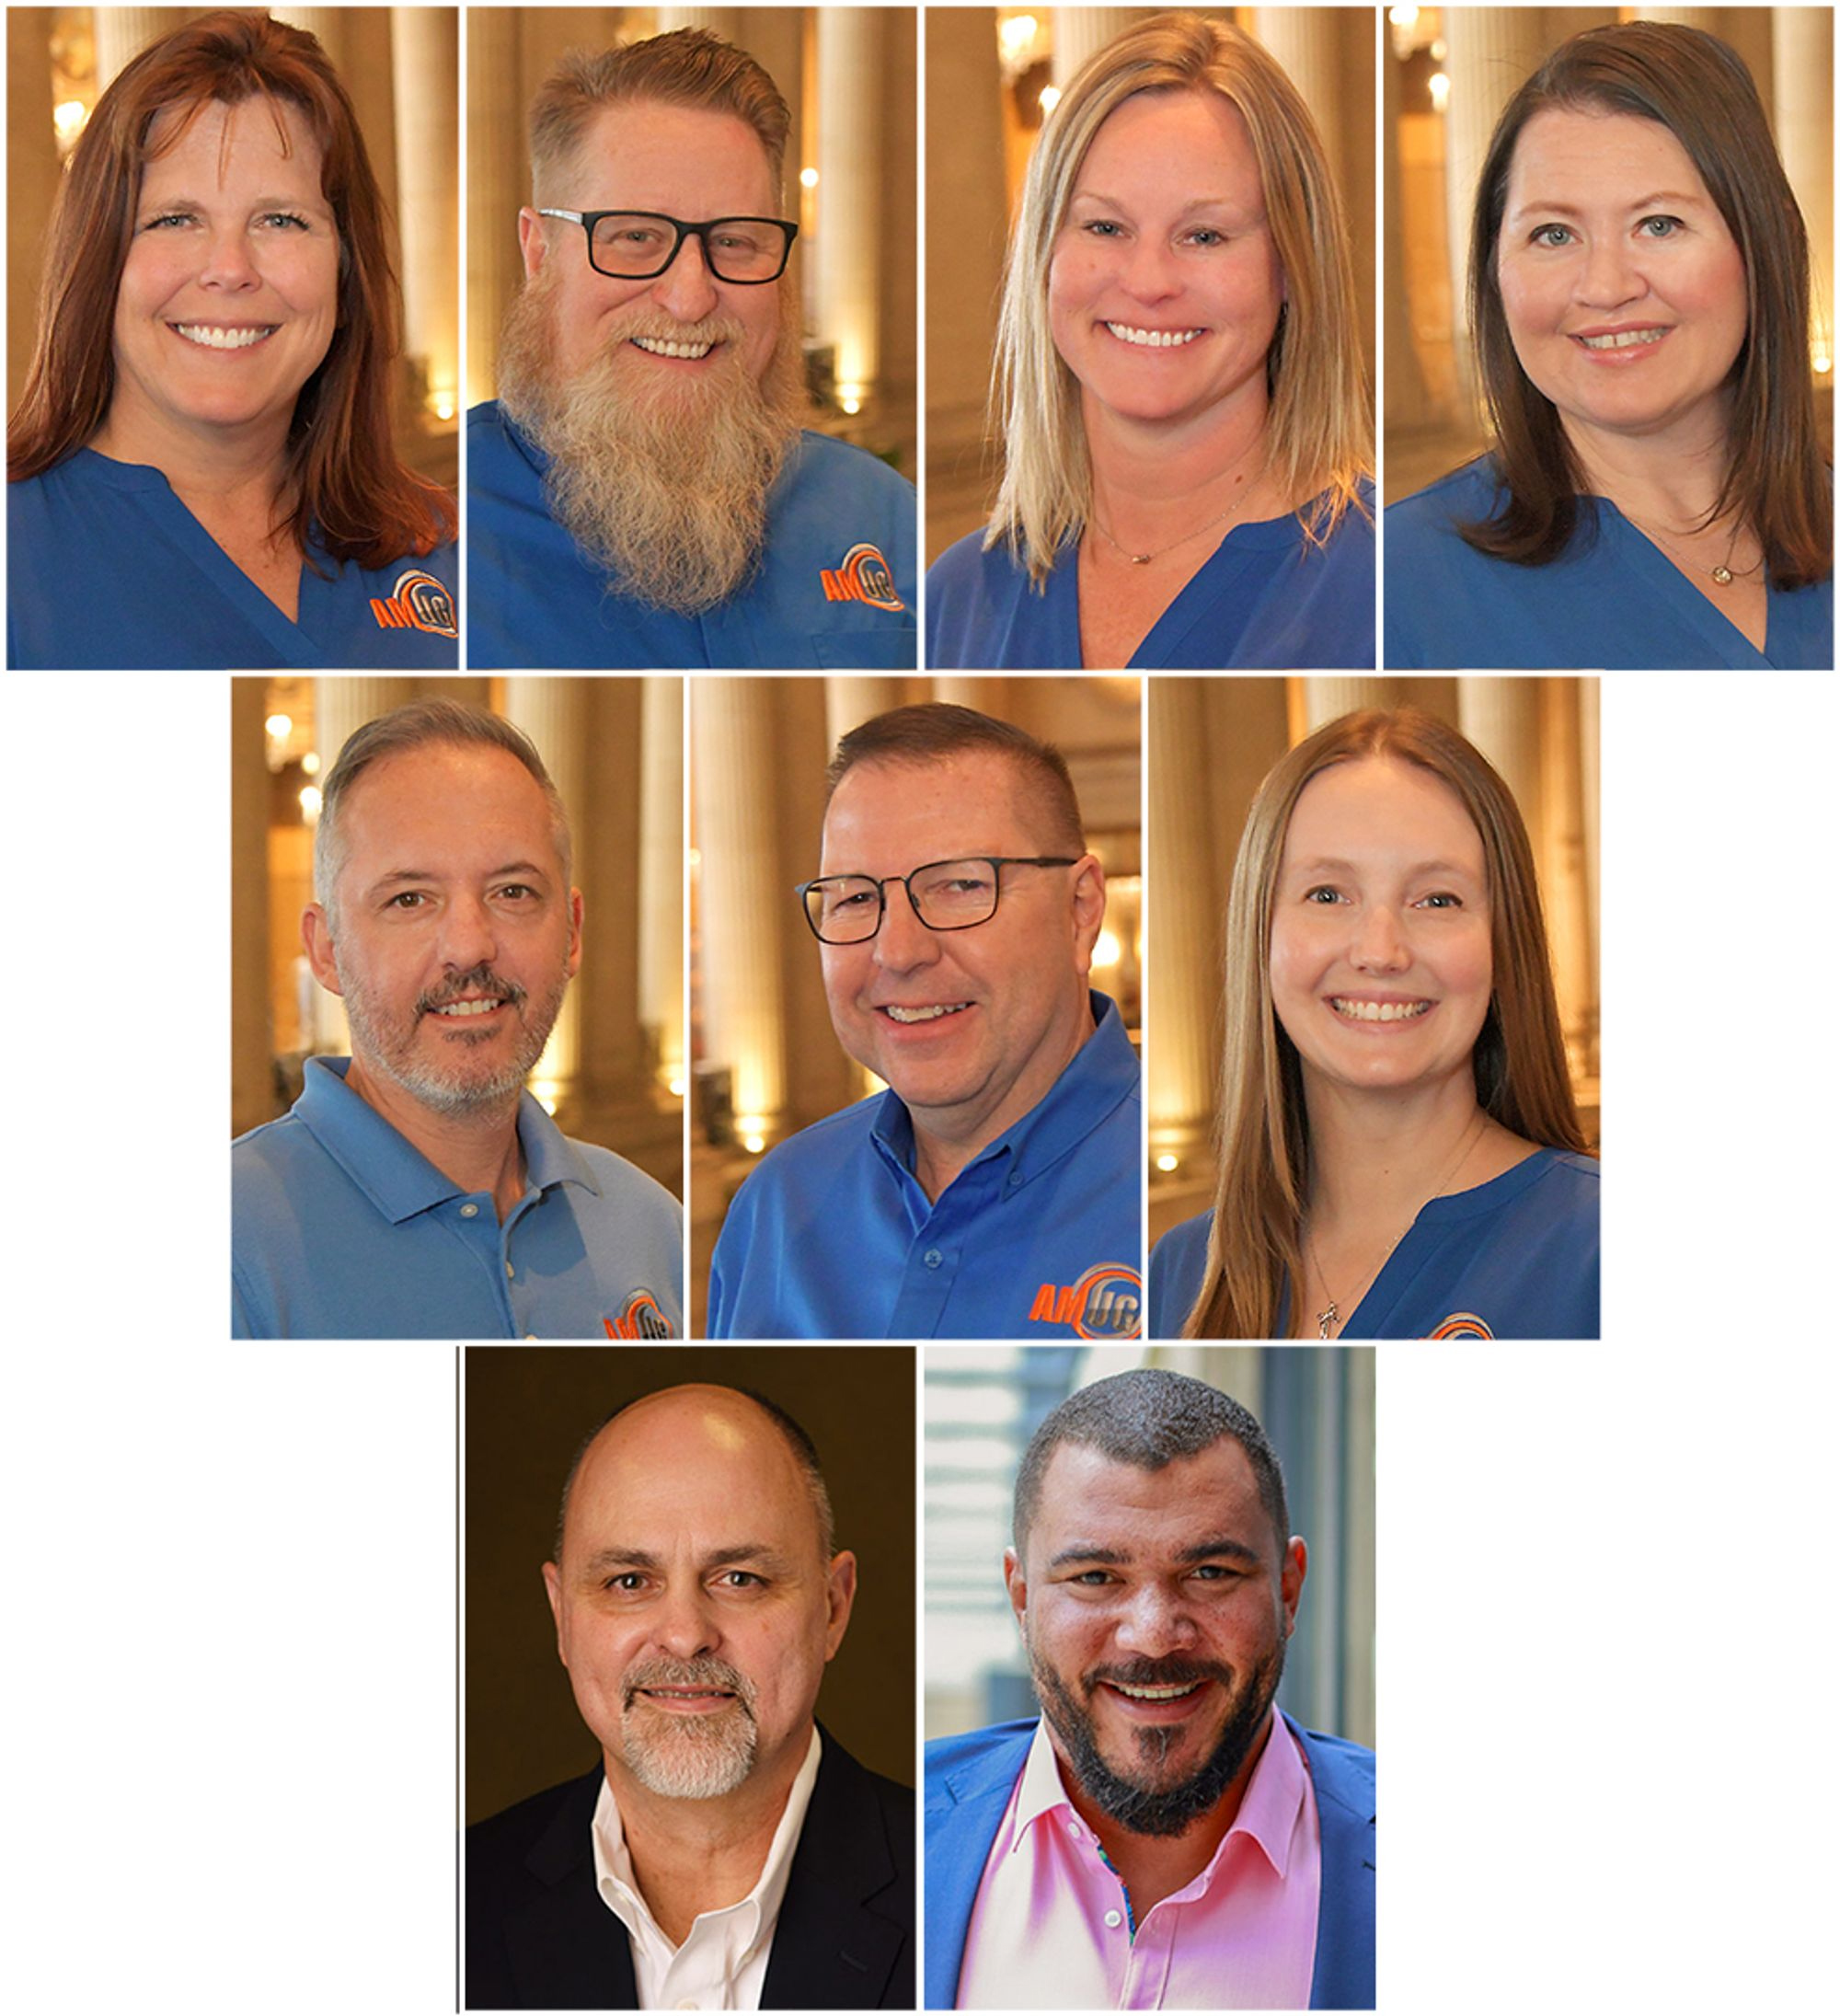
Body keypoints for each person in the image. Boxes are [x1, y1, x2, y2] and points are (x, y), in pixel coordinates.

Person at [7, 8, 456, 670]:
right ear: (100, 258)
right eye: (174, 219)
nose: (230, 269)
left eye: (280, 219)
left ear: (345, 268)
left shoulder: (452, 546)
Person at [927, 12, 1372, 672]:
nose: (1149, 281)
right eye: (1105, 227)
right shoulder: (957, 597)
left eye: (1205, 236)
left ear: (1291, 268)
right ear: (1044, 257)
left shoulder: (1385, 581)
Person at [1386, 21, 1833, 670]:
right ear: (1495, 271)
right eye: (1554, 235)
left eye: (1659, 224)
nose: (1606, 287)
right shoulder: (1396, 584)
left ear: (1764, 245)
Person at [232, 699, 682, 1339]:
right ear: (326, 949)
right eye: (410, 898)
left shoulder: (650, 1225)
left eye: (513, 892)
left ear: (573, 932)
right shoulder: (230, 1243)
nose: (469, 946)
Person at [926, 1368, 1374, 2010]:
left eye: (1210, 1572)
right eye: (1096, 1575)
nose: (1155, 1636)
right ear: (1021, 1598)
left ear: (1287, 1589)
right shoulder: (897, 1836)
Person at [468, 28, 916, 669]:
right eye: (635, 237)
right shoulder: (435, 530)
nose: (690, 298)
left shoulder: (882, 514)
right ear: (540, 254)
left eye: (734, 242)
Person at [1150, 708, 1598, 1341]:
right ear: (1262, 934)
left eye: (1438, 899)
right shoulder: (1177, 1274)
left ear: (1503, 941)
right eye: (1328, 894)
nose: (1381, 950)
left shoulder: (1598, 1247)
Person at [467, 1383, 914, 2010]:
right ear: (561, 1615)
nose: (684, 1636)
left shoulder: (956, 1887)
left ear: (833, 1607)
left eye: (739, 1578)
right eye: (628, 1581)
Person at [707, 703, 1142, 1340]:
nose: (899, 950)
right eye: (856, 897)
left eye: (960, 886)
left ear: (1080, 911)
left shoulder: (1223, 1205)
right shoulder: (778, 1203)